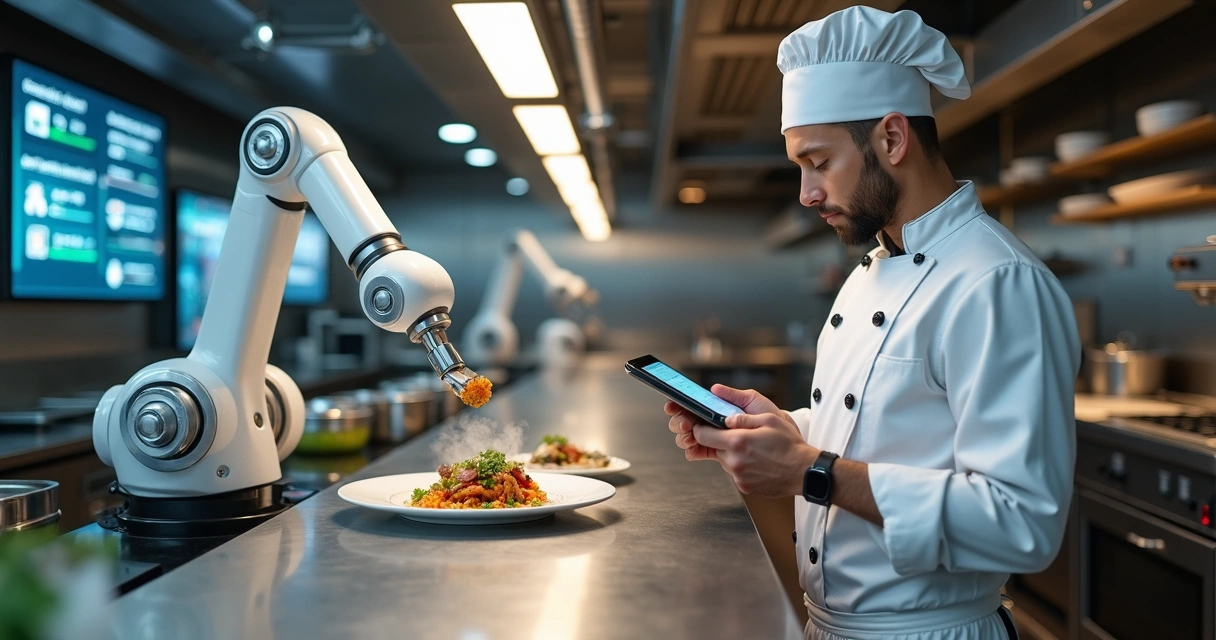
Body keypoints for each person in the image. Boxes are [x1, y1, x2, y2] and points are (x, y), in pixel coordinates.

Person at [664, 7, 1080, 640]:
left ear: (891, 139)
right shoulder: (873, 267)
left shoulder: (996, 282)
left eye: (819, 162)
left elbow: (1022, 524)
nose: (806, 193)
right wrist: (787, 432)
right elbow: (890, 433)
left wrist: (808, 471)